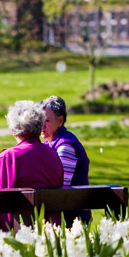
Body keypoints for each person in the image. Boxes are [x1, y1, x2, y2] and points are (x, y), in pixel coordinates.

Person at [0, 100, 65, 232]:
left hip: (17, 234)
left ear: (14, 130)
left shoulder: (8, 158)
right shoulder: (53, 155)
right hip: (50, 233)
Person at [39, 95, 91, 225]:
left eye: (47, 121)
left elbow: (62, 183)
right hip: (62, 211)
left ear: (60, 121)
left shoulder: (65, 145)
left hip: (73, 217)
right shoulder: (48, 143)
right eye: (39, 120)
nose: (42, 126)